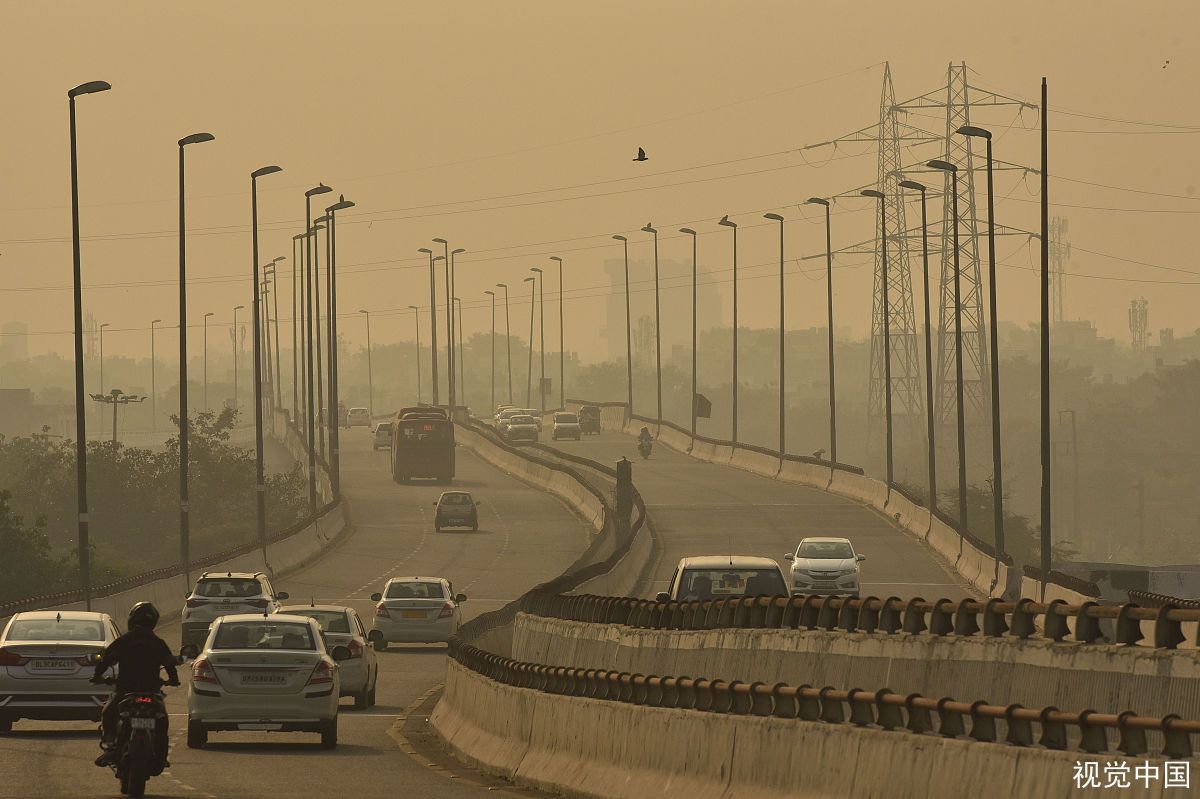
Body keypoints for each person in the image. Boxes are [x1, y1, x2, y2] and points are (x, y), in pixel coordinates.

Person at [93, 602, 179, 767]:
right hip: (151, 691)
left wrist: (98, 676)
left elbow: (106, 659)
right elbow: (169, 664)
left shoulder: (124, 640)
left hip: (126, 690)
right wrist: (173, 680)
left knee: (108, 713)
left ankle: (110, 745)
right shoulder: (157, 641)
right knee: (162, 720)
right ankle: (161, 753)